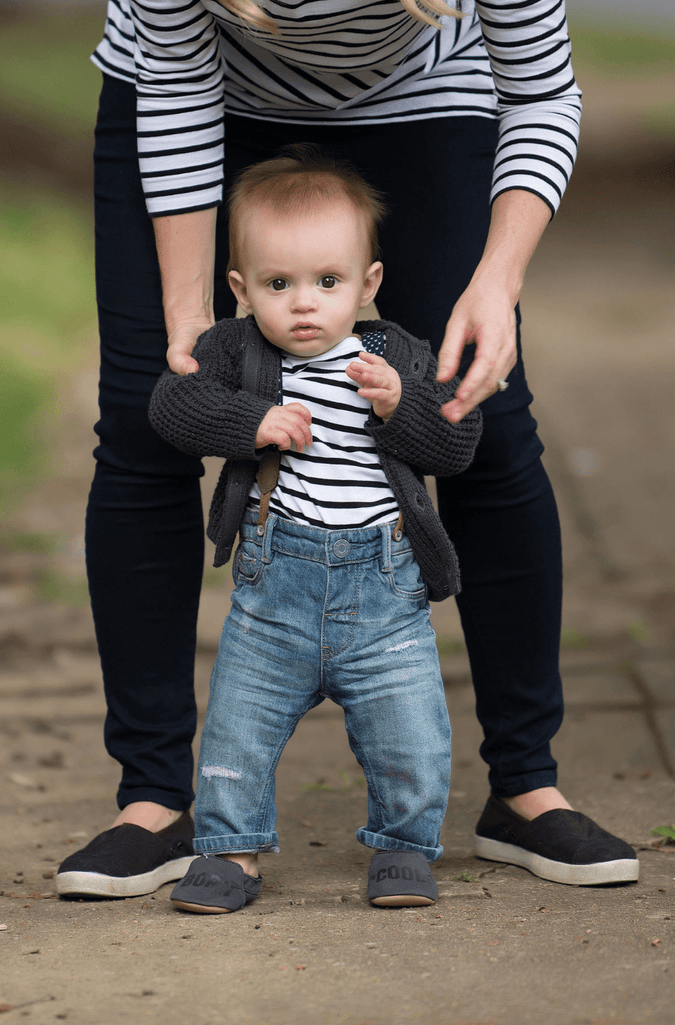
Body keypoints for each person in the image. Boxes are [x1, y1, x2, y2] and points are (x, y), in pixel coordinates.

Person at [55, 0, 639, 899]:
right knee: (146, 422)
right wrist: (190, 318)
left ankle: (526, 787)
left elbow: (540, 87)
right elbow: (172, 78)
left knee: (480, 413)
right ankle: (155, 801)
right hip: (197, 94)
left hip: (426, 102)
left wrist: (497, 281)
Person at [148, 149, 482, 912]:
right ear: (240, 290)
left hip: (385, 591)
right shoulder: (236, 351)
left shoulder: (395, 355)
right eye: (278, 284)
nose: (304, 305)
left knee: (412, 738)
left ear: (367, 283)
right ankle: (231, 852)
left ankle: (402, 848)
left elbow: (458, 446)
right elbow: (171, 407)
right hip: (274, 596)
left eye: (327, 282)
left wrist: (404, 407)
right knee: (237, 732)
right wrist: (250, 420)